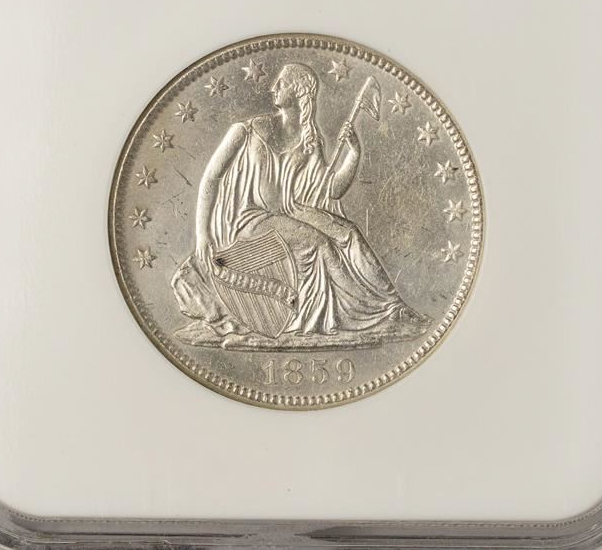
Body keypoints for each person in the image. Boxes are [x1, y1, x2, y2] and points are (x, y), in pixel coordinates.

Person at [172, 62, 428, 344]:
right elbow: (211, 178)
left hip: (289, 212)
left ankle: (393, 308)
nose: (273, 88)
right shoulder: (245, 131)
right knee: (320, 243)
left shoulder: (310, 141)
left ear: (298, 91)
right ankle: (367, 316)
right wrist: (202, 234)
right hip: (250, 219)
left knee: (350, 233)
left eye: (281, 83)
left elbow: (332, 190)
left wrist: (353, 153)